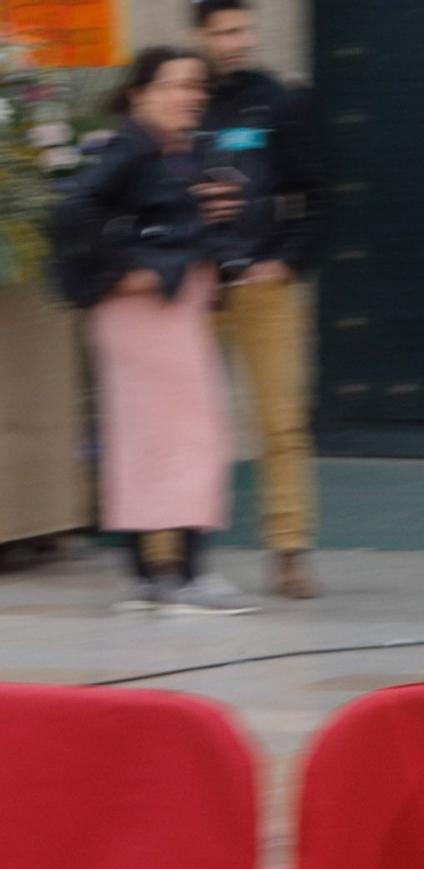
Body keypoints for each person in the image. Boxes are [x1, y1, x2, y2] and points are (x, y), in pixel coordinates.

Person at [52, 48, 258, 614]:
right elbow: (74, 210)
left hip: (174, 309)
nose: (189, 96)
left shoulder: (182, 152)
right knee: (182, 437)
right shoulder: (131, 147)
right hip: (144, 317)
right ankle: (178, 577)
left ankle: (158, 577)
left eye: (195, 86)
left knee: (167, 438)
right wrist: (126, 270)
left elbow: (187, 225)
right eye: (175, 86)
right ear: (141, 92)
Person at [179, 0, 325, 599]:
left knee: (281, 424)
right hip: (191, 287)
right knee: (186, 423)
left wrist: (285, 262)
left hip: (263, 288)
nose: (237, 41)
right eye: (224, 32)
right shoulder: (181, 97)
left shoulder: (278, 101)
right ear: (201, 36)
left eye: (244, 29)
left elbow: (317, 194)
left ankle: (289, 551)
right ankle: (172, 553)